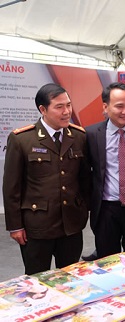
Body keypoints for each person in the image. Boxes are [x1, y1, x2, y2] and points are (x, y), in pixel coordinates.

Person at [3, 83, 91, 275]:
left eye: (68, 105)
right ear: (43, 109)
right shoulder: (22, 139)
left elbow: (85, 179)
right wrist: (15, 226)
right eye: (59, 107)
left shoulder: (78, 136)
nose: (67, 111)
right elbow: (12, 188)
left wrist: (84, 210)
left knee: (70, 279)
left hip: (71, 226)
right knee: (36, 280)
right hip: (37, 227)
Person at [83, 82, 125, 260]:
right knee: (107, 262)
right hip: (106, 209)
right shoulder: (91, 134)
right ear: (105, 107)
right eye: (119, 106)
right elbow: (84, 172)